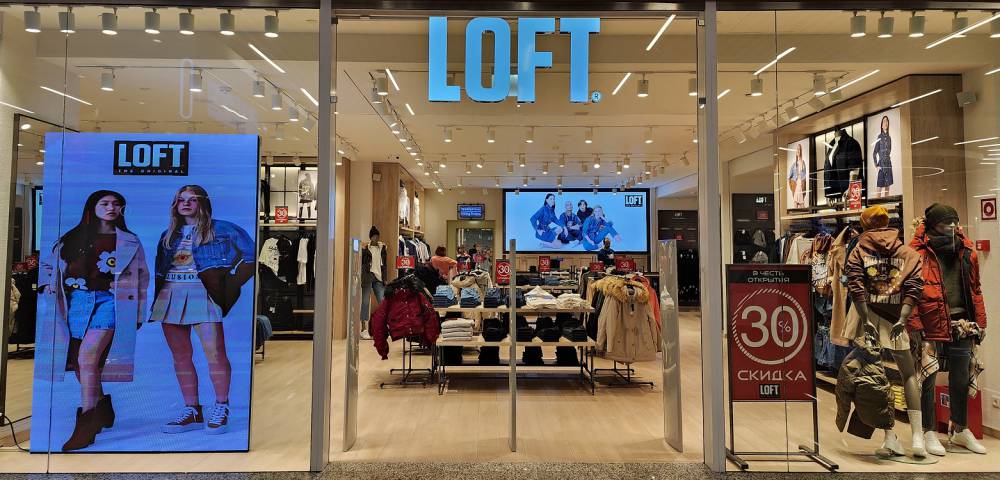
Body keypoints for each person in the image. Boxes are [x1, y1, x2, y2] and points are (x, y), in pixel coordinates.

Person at [38, 190, 149, 451]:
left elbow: (143, 278)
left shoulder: (130, 241)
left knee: (88, 358)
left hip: (111, 302)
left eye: (116, 204)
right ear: (92, 207)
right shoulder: (72, 238)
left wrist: (137, 314)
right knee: (81, 364)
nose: (111, 207)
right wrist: (46, 285)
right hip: (76, 302)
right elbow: (48, 264)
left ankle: (87, 423)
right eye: (105, 203)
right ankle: (102, 407)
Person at [151, 185, 255, 436]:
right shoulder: (168, 235)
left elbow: (251, 256)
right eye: (181, 200)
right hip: (170, 294)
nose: (186, 204)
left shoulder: (224, 229)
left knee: (215, 354)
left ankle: (221, 406)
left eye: (192, 199)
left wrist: (231, 282)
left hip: (202, 294)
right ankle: (192, 410)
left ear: (203, 203)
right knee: (180, 356)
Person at [845, 205, 925, 458]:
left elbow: (856, 286)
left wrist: (865, 319)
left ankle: (890, 436)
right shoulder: (907, 252)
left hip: (867, 315)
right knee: (908, 373)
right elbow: (915, 286)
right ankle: (918, 436)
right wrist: (903, 317)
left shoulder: (859, 250)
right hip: (896, 316)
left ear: (864, 225)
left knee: (873, 376)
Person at [909, 204, 987, 455]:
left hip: (962, 321)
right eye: (946, 222)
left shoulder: (967, 250)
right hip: (930, 321)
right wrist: (914, 324)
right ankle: (928, 430)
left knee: (961, 376)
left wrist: (980, 321)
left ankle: (960, 428)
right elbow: (910, 292)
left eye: (955, 221)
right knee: (928, 377)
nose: (952, 226)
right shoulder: (917, 252)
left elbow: (975, 288)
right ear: (933, 224)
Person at [360, 226, 387, 341]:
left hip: (378, 277)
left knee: (382, 301)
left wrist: (385, 278)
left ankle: (382, 327)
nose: (376, 238)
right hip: (368, 276)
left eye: (377, 236)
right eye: (374, 236)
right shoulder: (366, 248)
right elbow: (362, 262)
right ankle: (363, 329)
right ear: (370, 237)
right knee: (365, 302)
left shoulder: (382, 248)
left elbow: (384, 265)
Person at [873, 115, 893, 198]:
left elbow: (889, 151)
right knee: (879, 188)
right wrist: (876, 165)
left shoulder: (889, 138)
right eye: (884, 121)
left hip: (888, 164)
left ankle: (886, 205)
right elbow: (874, 152)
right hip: (881, 164)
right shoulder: (879, 137)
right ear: (881, 125)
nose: (886, 122)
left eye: (887, 121)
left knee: (887, 189)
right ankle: (877, 205)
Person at [788, 143, 807, 208]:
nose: (798, 151)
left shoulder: (803, 162)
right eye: (797, 149)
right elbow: (789, 177)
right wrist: (792, 184)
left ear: (801, 151)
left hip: (800, 184)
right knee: (798, 202)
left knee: (797, 201)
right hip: (796, 184)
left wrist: (802, 183)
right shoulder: (794, 165)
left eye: (799, 149)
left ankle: (802, 212)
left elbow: (804, 176)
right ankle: (804, 212)